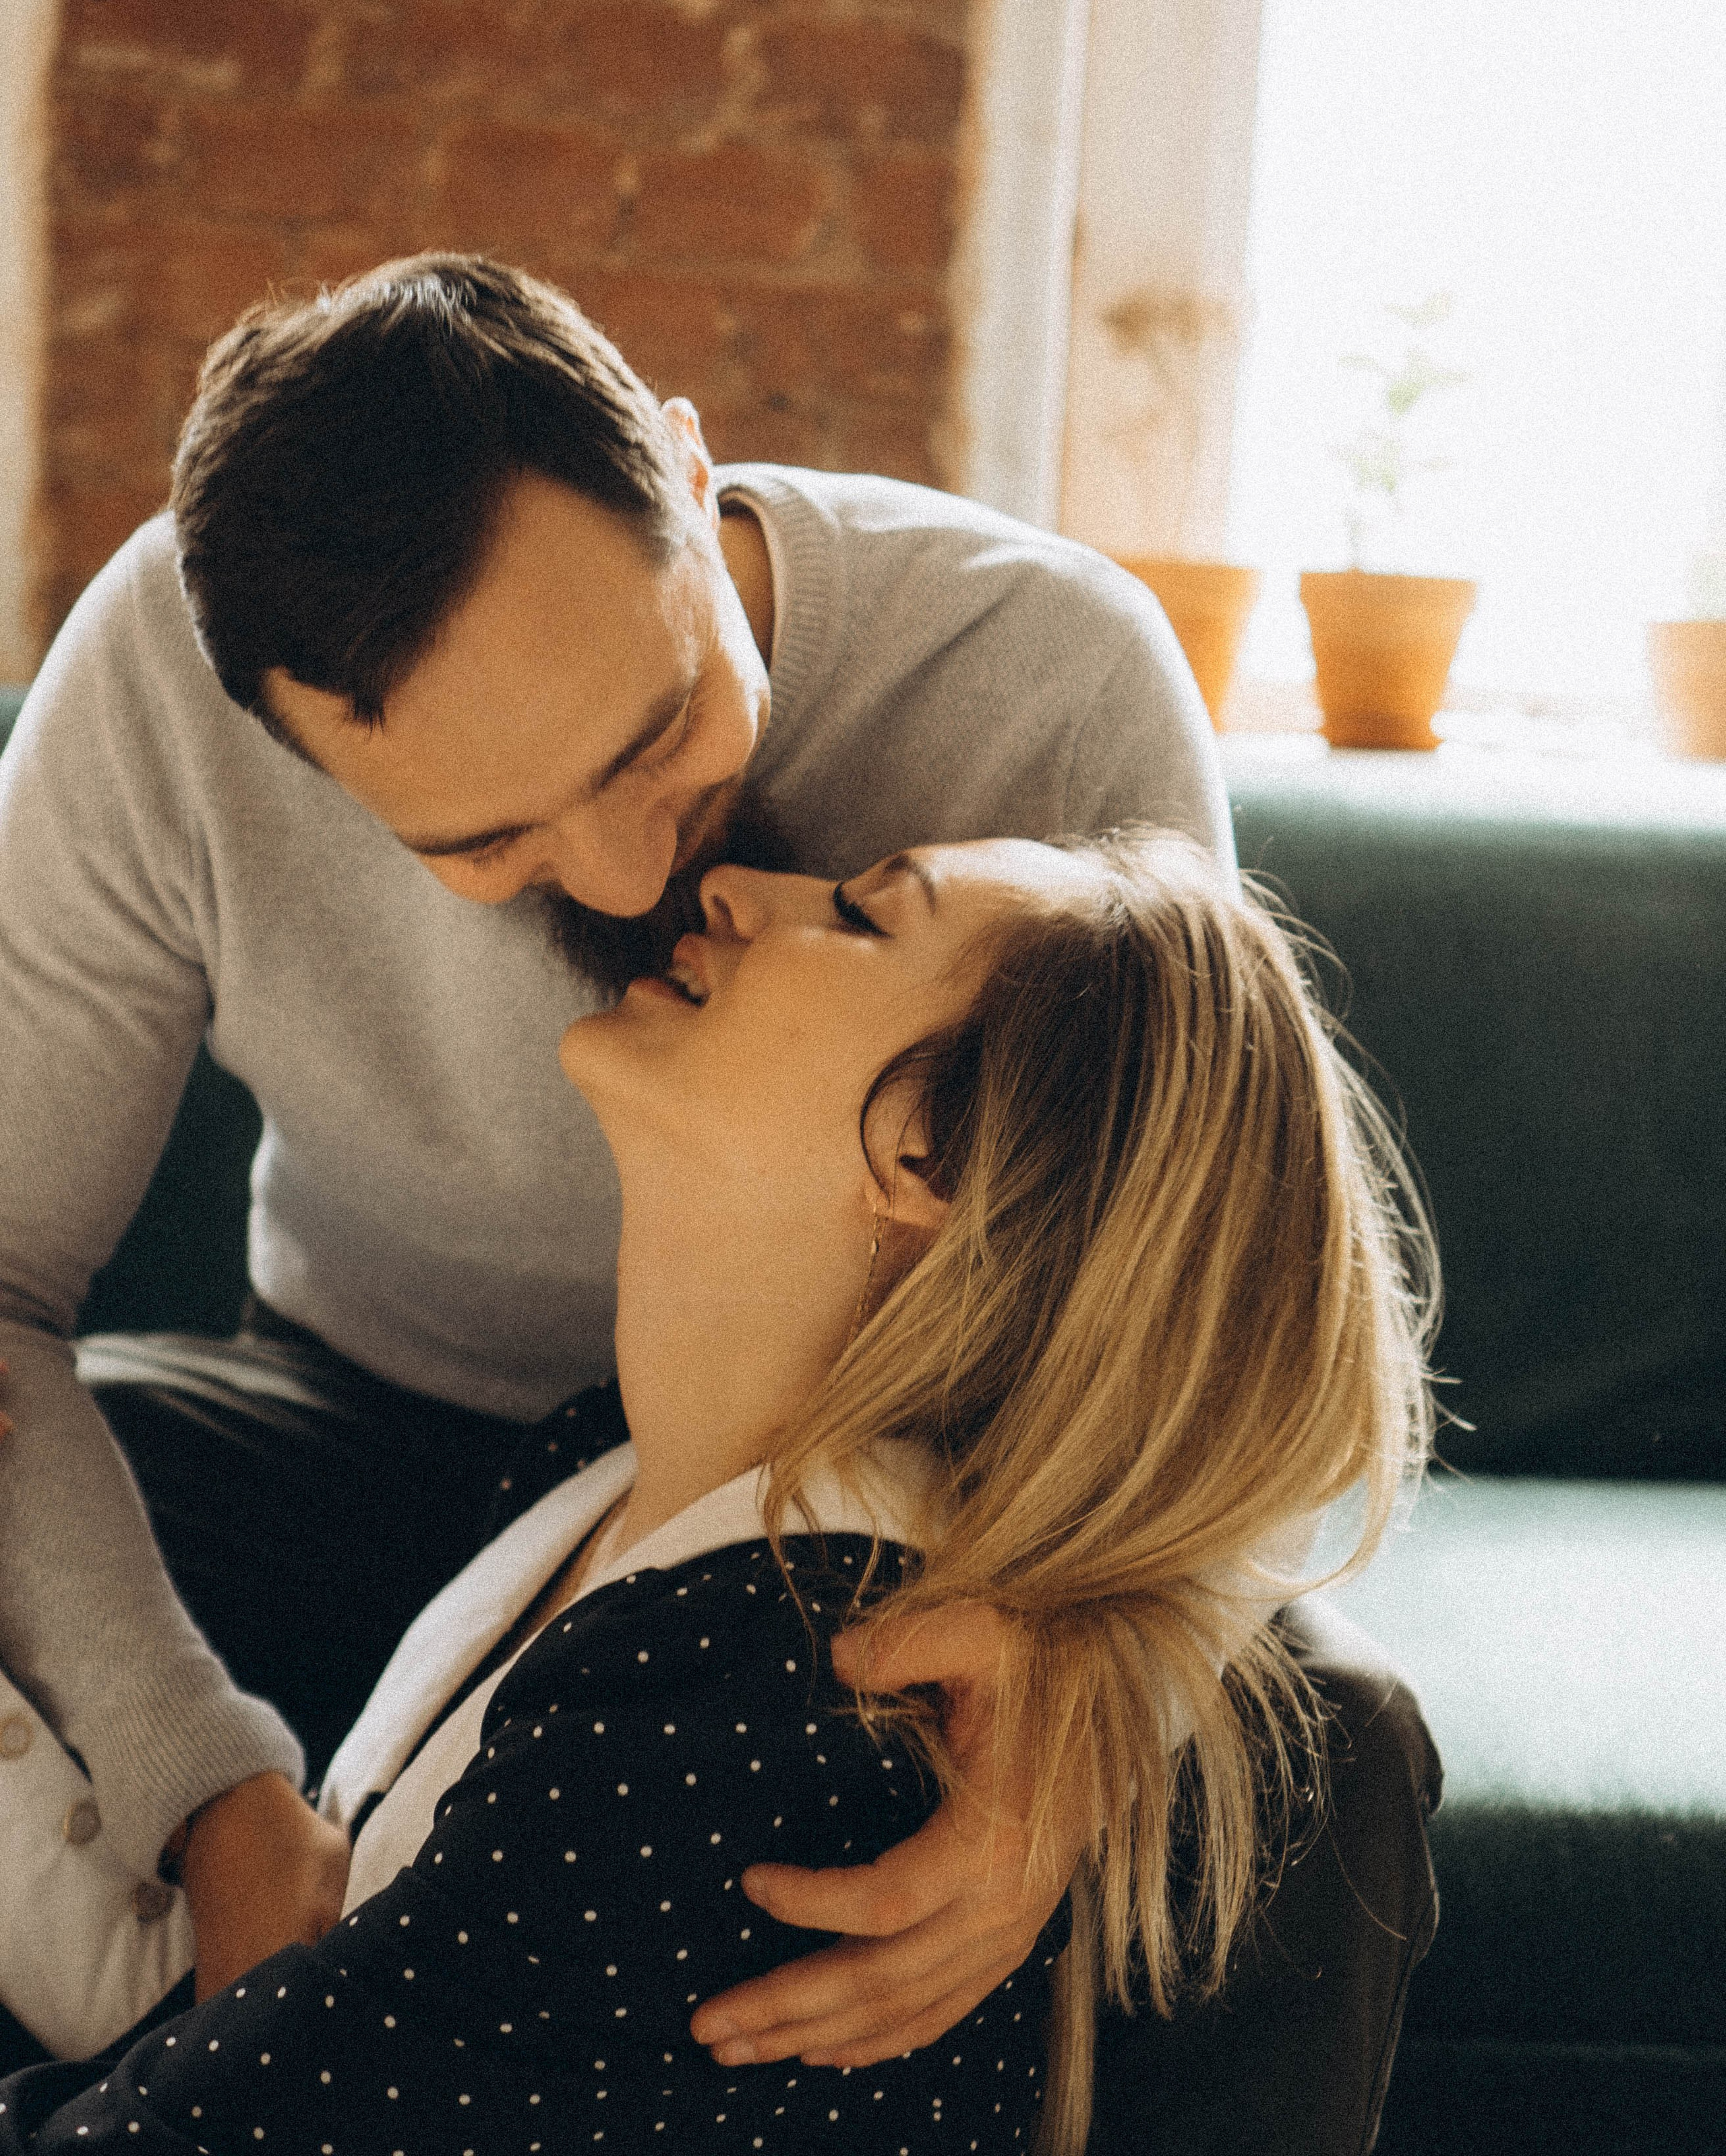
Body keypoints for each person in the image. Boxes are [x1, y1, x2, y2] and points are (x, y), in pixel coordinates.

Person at [0, 256, 1439, 2143]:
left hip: (896, 1494)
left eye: (654, 732)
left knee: (1315, 1747)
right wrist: (209, 1790)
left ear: (689, 474)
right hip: (360, 1418)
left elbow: (1200, 1262)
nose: (621, 874)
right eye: (485, 843)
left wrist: (1077, 1665)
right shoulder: (167, 684)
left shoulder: (1057, 674)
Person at [0, 825, 1435, 2152]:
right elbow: (306, 2010)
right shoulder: (596, 1482)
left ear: (924, 1158)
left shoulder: (765, 1702)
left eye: (862, 917)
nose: (734, 888)